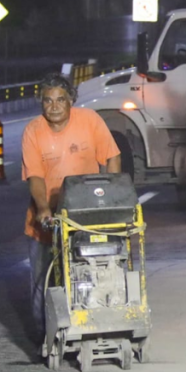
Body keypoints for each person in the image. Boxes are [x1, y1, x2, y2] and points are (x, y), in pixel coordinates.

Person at [22, 74, 121, 344]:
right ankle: (46, 339)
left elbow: (112, 157)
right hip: (48, 219)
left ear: (71, 101)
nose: (54, 106)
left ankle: (97, 329)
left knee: (96, 271)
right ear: (41, 104)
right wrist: (43, 208)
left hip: (86, 217)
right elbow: (35, 176)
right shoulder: (33, 130)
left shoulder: (90, 121)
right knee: (43, 282)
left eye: (60, 100)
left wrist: (113, 199)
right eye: (48, 101)